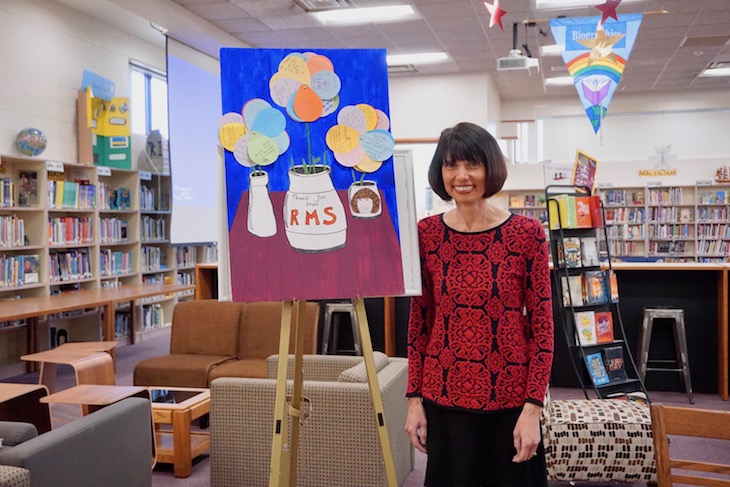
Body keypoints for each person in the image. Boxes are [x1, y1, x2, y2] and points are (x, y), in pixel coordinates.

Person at [404, 122, 554, 486]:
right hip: (444, 396)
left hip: (510, 400)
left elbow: (543, 328)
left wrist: (533, 408)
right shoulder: (426, 235)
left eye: (472, 164)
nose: (461, 176)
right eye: (450, 165)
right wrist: (413, 400)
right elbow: (420, 323)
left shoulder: (527, 234)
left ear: (490, 168)